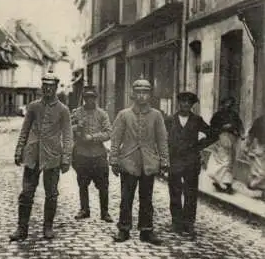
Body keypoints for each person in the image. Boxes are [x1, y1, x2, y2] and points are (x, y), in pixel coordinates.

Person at [10, 70, 73, 241]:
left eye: (51, 86)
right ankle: (22, 229)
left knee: (51, 193)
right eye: (45, 86)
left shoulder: (63, 110)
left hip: (52, 156)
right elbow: (24, 130)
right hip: (32, 155)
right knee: (26, 193)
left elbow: (68, 136)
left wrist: (66, 158)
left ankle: (48, 227)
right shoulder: (33, 107)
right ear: (41, 87)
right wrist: (19, 151)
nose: (47, 89)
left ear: (56, 87)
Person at [109, 79, 169, 246]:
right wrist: (114, 159)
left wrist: (164, 160)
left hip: (148, 163)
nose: (142, 96)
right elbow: (115, 139)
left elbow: (162, 139)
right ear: (133, 95)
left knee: (147, 198)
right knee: (126, 198)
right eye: (139, 92)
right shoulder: (124, 115)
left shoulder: (156, 115)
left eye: (146, 92)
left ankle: (146, 230)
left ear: (150, 95)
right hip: (128, 161)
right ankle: (124, 228)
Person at [164, 92, 212, 236]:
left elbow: (212, 133)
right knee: (175, 192)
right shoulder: (169, 120)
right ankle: (176, 222)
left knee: (190, 193)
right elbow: (161, 137)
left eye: (188, 103)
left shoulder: (197, 120)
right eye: (183, 102)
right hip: (175, 160)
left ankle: (189, 223)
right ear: (178, 103)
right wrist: (166, 153)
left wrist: (199, 146)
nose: (185, 105)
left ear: (192, 105)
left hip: (191, 161)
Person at [71, 86, 113, 222]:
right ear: (83, 99)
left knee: (103, 185)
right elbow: (68, 130)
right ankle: (84, 209)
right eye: (87, 98)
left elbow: (108, 132)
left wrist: (93, 137)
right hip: (81, 154)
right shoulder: (77, 113)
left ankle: (104, 212)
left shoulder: (102, 114)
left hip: (98, 154)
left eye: (92, 98)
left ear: (96, 98)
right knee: (82, 183)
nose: (90, 100)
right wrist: (78, 127)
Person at [206, 97, 244, 194]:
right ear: (222, 104)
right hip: (222, 139)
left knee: (229, 161)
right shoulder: (217, 115)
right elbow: (212, 128)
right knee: (225, 161)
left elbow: (239, 125)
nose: (229, 105)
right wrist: (222, 128)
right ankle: (225, 183)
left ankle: (223, 182)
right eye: (227, 103)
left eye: (231, 104)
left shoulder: (234, 115)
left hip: (231, 139)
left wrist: (240, 133)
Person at [243, 114, 265, 197]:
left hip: (261, 147)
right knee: (261, 171)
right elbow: (251, 134)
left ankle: (254, 184)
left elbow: (251, 134)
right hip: (261, 147)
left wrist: (247, 146)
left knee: (260, 171)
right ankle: (254, 184)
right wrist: (247, 146)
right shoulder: (260, 120)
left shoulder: (260, 119)